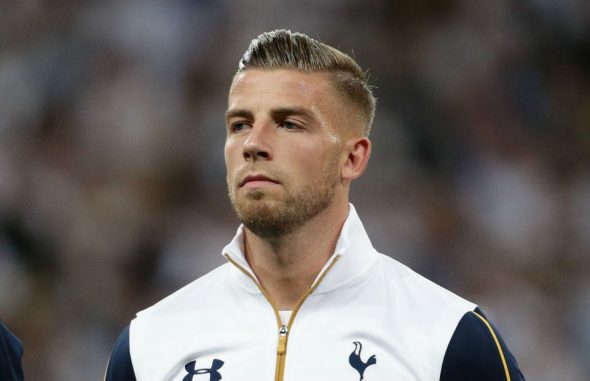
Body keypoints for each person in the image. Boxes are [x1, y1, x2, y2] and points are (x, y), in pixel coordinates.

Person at [105, 30, 526, 381]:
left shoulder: (449, 338)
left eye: (288, 124)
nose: (253, 144)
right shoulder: (149, 345)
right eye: (240, 125)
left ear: (353, 158)